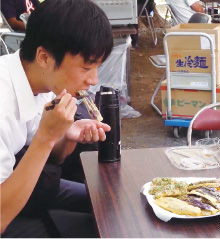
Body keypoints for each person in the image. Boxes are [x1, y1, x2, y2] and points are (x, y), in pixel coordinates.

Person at [0, 0, 113, 237]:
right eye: (86, 68)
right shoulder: (3, 101)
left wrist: (67, 137)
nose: (93, 80)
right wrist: (46, 136)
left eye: (97, 67)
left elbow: (52, 155)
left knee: (110, 204)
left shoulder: (43, 83)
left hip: (21, 185)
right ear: (44, 57)